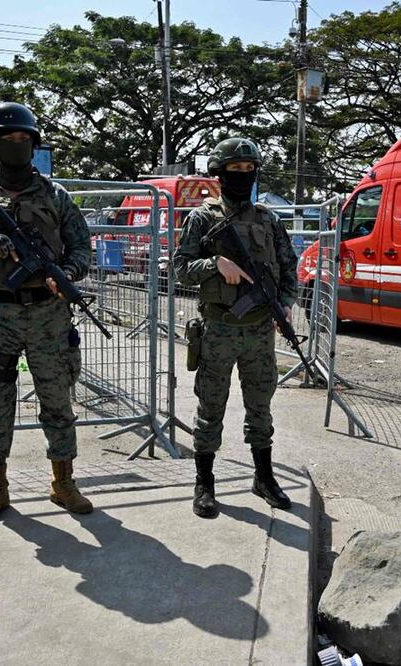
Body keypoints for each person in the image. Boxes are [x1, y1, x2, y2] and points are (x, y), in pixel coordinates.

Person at [0, 102, 93, 526]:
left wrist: (67, 272)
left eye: (23, 139)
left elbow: (82, 246)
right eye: (7, 140)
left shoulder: (54, 195)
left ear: (34, 144)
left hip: (49, 314)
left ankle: (63, 482)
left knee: (58, 402)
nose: (16, 145)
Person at [172, 137, 299, 518]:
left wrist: (286, 304)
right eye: (235, 170)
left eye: (248, 170)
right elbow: (180, 267)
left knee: (260, 406)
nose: (242, 176)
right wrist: (216, 265)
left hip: (259, 329)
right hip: (219, 328)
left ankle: (263, 477)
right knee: (211, 406)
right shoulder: (201, 218)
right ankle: (204, 484)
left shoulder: (268, 219)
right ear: (220, 174)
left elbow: (288, 265)